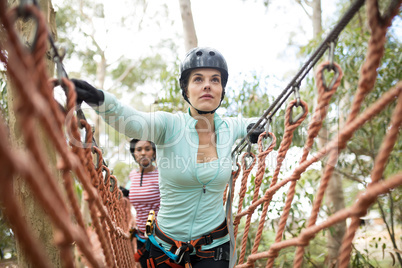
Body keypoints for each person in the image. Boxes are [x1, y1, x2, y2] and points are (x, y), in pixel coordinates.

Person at [72, 47, 263, 268]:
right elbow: (133, 121)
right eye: (198, 79)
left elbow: (260, 122)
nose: (207, 85)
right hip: (166, 247)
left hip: (215, 245)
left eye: (215, 80)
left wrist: (258, 129)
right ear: (186, 90)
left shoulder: (231, 127)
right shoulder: (169, 125)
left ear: (222, 90)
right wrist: (100, 99)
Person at [128, 139, 160, 268]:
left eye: (147, 149)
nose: (143, 153)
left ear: (154, 153)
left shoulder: (162, 175)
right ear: (134, 154)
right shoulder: (132, 176)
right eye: (139, 149)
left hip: (163, 239)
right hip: (142, 239)